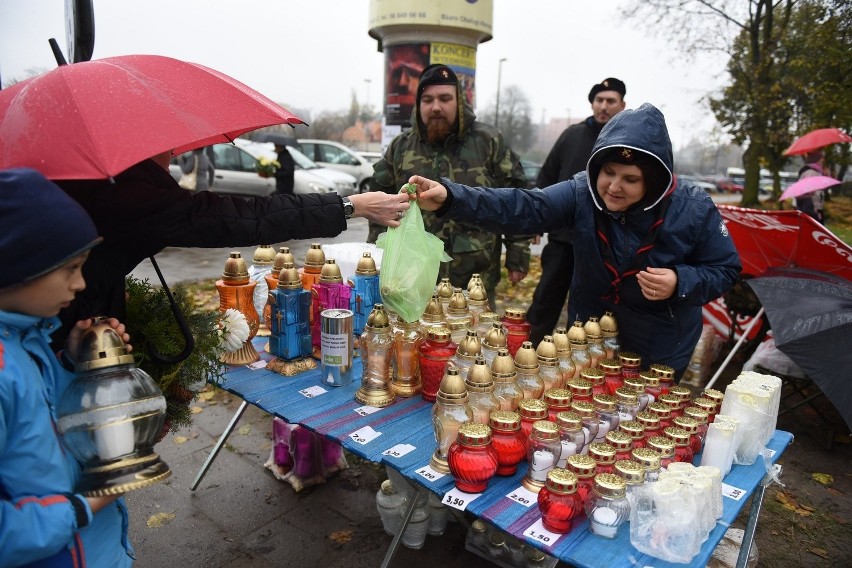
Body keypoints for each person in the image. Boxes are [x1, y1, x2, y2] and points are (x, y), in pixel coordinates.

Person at [406, 104, 741, 379]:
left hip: (661, 341)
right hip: (589, 336)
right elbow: (524, 206)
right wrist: (452, 198)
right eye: (608, 172)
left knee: (644, 427)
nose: (613, 187)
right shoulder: (583, 192)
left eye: (630, 179)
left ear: (652, 183)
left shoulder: (694, 208)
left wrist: (681, 281)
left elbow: (726, 270)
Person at [53, 151, 411, 348]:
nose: (176, 152)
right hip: (61, 333)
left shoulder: (102, 185)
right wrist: (348, 206)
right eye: (169, 147)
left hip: (76, 328)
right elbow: (245, 216)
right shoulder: (127, 194)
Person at [0, 168, 135, 566]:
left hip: (98, 550)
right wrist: (85, 505)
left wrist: (75, 364)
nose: (79, 285)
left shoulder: (28, 339)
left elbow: (43, 412)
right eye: (70, 268)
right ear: (18, 267)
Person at [368, 63, 532, 307]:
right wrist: (375, 256)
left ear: (460, 102)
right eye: (428, 100)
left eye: (445, 98)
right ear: (418, 105)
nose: (436, 107)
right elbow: (379, 202)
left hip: (475, 280)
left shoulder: (488, 142)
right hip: (413, 279)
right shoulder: (401, 146)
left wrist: (518, 255)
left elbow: (516, 198)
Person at [527, 78, 627, 345]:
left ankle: (580, 369)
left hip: (603, 244)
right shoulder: (572, 135)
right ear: (592, 103)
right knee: (544, 302)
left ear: (622, 105)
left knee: (590, 315)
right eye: (599, 100)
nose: (603, 106)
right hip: (562, 239)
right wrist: (536, 220)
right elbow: (546, 176)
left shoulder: (626, 144)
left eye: (610, 101)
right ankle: (526, 354)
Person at [794, 150, 826, 223]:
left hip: (814, 207)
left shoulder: (816, 171)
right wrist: (815, 211)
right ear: (816, 160)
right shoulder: (810, 172)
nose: (823, 161)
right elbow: (808, 192)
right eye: (821, 159)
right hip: (811, 208)